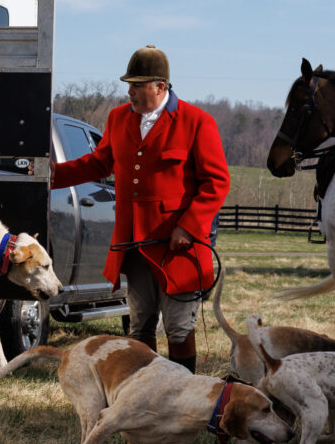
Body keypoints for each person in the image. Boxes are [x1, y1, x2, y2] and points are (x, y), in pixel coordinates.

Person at [51, 45, 230, 372]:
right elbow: (98, 163)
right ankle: (143, 393)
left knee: (178, 328)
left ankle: (183, 395)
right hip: (135, 245)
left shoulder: (196, 122)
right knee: (139, 326)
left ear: (160, 87)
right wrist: (50, 176)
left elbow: (216, 182)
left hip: (178, 247)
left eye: (136, 85)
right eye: (129, 85)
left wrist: (188, 227)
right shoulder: (118, 118)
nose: (129, 91)